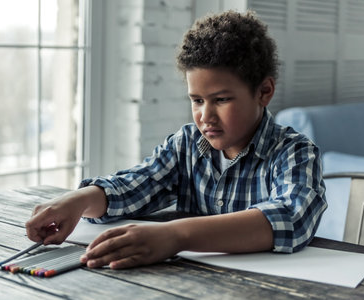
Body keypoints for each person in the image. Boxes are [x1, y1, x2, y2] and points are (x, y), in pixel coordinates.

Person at [26, 10, 327, 270]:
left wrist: (176, 235)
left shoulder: (295, 152)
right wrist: (77, 201)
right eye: (196, 100)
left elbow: (292, 218)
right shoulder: (185, 145)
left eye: (221, 99)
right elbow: (134, 186)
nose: (205, 116)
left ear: (264, 91)